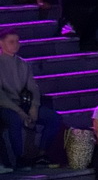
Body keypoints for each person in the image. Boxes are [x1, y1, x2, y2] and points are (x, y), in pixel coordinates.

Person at [0, 30, 62, 169]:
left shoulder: (23, 64)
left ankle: (41, 153)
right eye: (11, 42)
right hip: (6, 106)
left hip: (25, 103)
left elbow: (33, 88)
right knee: (15, 120)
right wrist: (20, 112)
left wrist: (34, 107)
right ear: (1, 43)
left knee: (53, 118)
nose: (16, 45)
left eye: (17, 41)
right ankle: (19, 158)